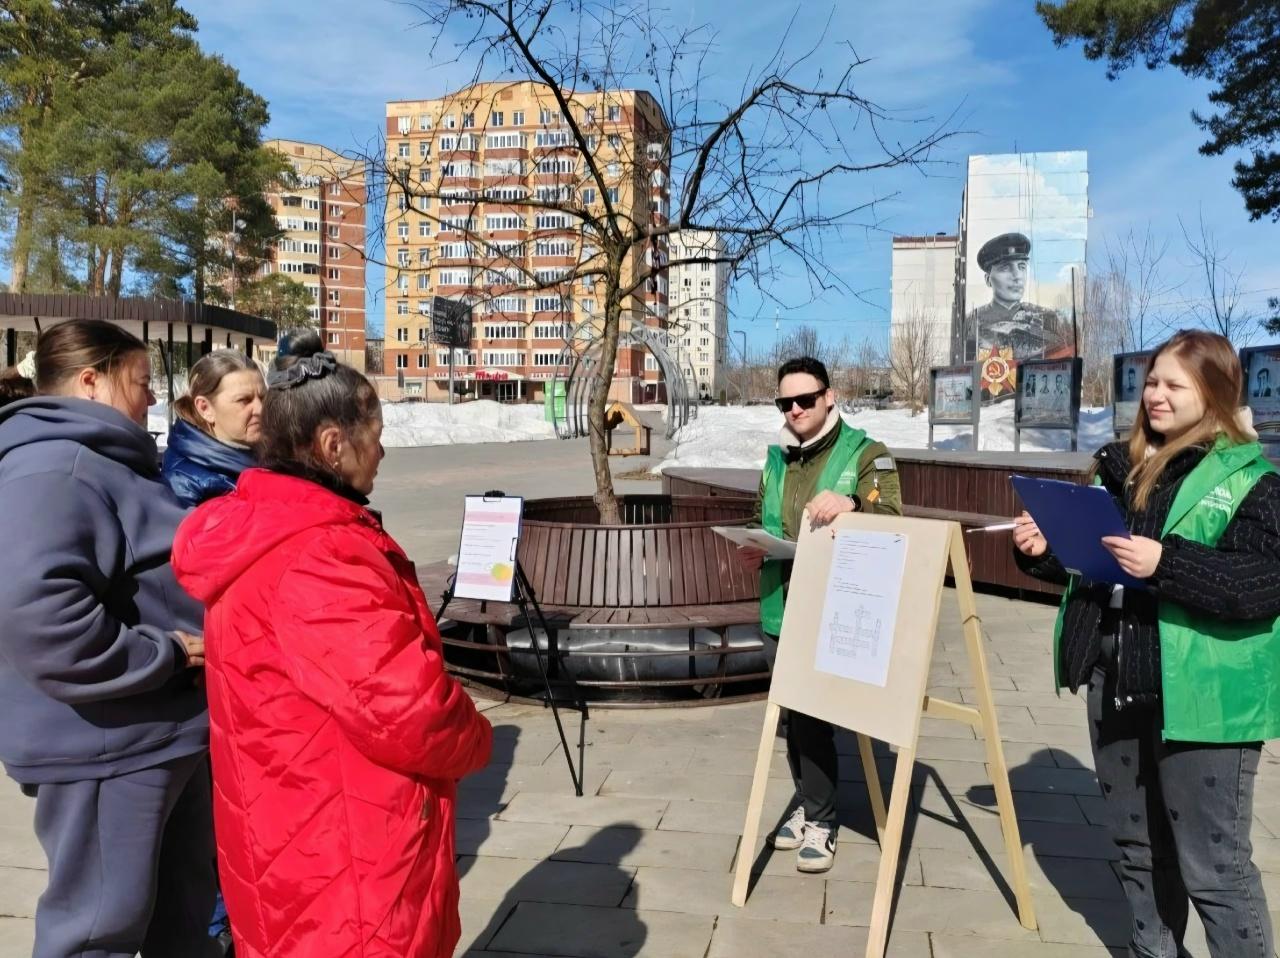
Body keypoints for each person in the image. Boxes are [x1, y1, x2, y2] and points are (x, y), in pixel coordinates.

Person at [172, 346, 493, 958]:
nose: (382, 449)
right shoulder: (321, 554)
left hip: (294, 824)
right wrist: (475, 735)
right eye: (374, 434)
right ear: (331, 445)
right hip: (343, 845)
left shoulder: (264, 526)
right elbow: (407, 708)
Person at [1013, 329, 1280, 958]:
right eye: (1152, 381)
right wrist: (1044, 550)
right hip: (1116, 673)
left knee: (1213, 867)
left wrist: (1167, 563)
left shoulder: (1254, 481)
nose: (1154, 396)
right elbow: (1096, 565)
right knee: (1137, 849)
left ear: (1215, 393)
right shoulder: (1119, 467)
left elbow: (1265, 582)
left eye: (1173, 385)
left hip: (1204, 697)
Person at [0, 319, 216, 958]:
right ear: (91, 381)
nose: (152, 398)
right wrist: (164, 653)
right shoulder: (54, 468)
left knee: (180, 917)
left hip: (155, 734)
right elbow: (39, 615)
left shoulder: (99, 458)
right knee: (98, 929)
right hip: (104, 745)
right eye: (142, 382)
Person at [737, 356, 902, 873]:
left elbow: (896, 518)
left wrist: (853, 502)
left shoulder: (866, 453)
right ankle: (812, 806)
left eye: (805, 399)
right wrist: (753, 544)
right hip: (778, 606)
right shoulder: (776, 458)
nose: (795, 410)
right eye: (785, 402)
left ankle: (823, 820)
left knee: (813, 717)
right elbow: (761, 514)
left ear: (830, 396)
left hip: (836, 608)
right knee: (792, 715)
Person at [163, 349, 264, 507]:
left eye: (263, 397)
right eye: (244, 400)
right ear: (205, 408)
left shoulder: (275, 457)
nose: (260, 409)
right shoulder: (185, 485)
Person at [963, 232, 1059, 362]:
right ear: (988, 280)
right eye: (1005, 268)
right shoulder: (972, 321)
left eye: (1022, 267)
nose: (1017, 276)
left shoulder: (1046, 317)